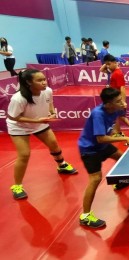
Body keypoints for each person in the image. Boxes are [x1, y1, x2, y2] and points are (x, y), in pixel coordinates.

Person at [6, 69, 77, 200]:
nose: (44, 82)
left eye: (44, 79)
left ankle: (61, 165)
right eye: (39, 80)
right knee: (24, 154)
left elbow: (50, 104)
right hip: (19, 127)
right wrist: (36, 121)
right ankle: (17, 186)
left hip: (40, 122)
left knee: (54, 145)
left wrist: (52, 113)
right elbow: (13, 117)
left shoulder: (47, 91)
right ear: (28, 82)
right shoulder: (19, 98)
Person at [78, 87, 129, 228]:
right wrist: (124, 138)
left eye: (122, 99)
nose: (122, 103)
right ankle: (85, 216)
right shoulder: (98, 114)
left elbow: (116, 121)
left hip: (104, 146)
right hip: (90, 149)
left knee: (122, 158)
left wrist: (121, 133)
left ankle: (121, 182)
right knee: (95, 178)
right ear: (108, 104)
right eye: (118, 101)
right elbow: (100, 138)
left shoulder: (115, 109)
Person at [100, 54, 129, 136]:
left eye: (109, 64)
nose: (108, 66)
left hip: (117, 99)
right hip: (113, 98)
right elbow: (101, 70)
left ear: (114, 63)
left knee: (117, 116)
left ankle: (121, 131)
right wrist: (107, 62)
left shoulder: (118, 73)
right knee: (119, 116)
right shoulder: (112, 71)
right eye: (107, 64)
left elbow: (122, 88)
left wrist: (123, 102)